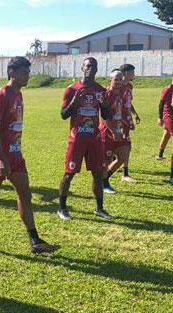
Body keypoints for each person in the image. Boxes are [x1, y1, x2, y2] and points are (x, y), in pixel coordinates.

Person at [0, 56, 60, 253]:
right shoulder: (1, 95)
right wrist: (2, 158)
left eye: (28, 73)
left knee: (25, 195)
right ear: (12, 73)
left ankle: (35, 240)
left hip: (16, 155)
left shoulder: (19, 95)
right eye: (23, 73)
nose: (27, 76)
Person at [57, 57, 113, 220]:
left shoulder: (101, 90)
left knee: (98, 173)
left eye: (93, 67)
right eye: (88, 66)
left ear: (96, 70)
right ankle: (62, 208)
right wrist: (74, 102)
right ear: (82, 68)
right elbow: (63, 115)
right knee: (69, 173)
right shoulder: (72, 89)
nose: (90, 69)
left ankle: (99, 208)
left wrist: (104, 105)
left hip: (94, 138)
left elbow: (105, 115)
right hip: (77, 138)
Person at [100, 70, 124, 194]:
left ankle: (105, 178)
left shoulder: (120, 94)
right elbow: (104, 117)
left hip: (118, 130)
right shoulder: (106, 95)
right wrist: (113, 131)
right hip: (107, 132)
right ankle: (104, 184)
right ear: (110, 80)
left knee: (122, 157)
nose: (119, 82)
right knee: (105, 160)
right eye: (116, 79)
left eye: (120, 79)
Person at [117, 63, 140, 183]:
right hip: (117, 119)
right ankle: (123, 173)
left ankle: (122, 168)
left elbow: (128, 102)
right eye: (132, 72)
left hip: (126, 118)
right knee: (124, 145)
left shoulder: (130, 86)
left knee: (126, 145)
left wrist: (135, 114)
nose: (134, 75)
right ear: (126, 73)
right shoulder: (117, 86)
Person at [156, 69, 173, 161]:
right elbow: (161, 103)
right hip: (168, 116)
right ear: (172, 77)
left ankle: (159, 155)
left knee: (166, 134)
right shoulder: (168, 89)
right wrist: (160, 117)